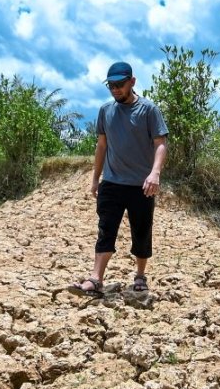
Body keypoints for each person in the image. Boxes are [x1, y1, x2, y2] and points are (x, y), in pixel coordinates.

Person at [68, 61, 169, 297]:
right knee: (106, 230)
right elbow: (101, 146)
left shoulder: (149, 110)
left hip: (141, 186)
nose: (115, 89)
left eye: (120, 85)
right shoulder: (105, 111)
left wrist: (155, 173)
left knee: (141, 232)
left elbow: (160, 143)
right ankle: (95, 279)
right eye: (111, 85)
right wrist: (95, 179)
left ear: (132, 82)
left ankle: (140, 276)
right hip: (112, 183)